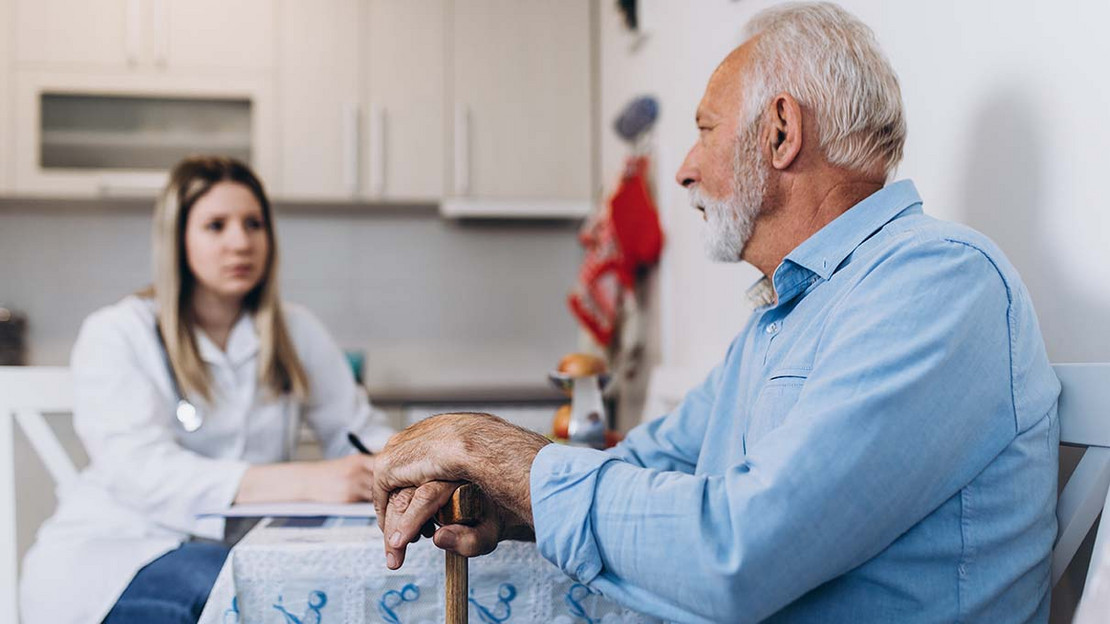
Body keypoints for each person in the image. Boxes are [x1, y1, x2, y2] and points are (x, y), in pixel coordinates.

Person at [368, 3, 1061, 623]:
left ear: (781, 131)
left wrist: (480, 446)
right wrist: (507, 502)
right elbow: (654, 461)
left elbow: (741, 555)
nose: (684, 169)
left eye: (705, 130)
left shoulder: (935, 285)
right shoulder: (785, 316)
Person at [19, 156, 394, 624]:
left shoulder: (295, 330)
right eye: (216, 226)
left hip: (237, 555)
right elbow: (143, 473)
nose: (240, 242)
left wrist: (413, 467)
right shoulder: (117, 332)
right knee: (246, 588)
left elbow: (358, 432)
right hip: (116, 553)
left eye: (253, 223)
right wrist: (309, 479)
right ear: (177, 240)